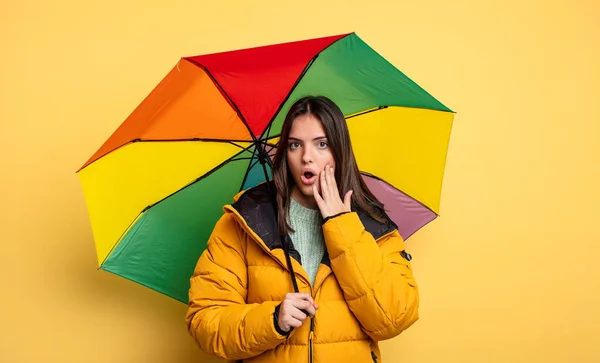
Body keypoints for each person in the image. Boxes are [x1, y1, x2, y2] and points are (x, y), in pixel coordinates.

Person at [185, 95, 419, 363]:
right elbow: (205, 323)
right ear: (285, 152)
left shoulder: (373, 225)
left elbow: (394, 318)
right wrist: (273, 319)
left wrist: (342, 225)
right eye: (296, 145)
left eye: (322, 144)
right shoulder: (244, 222)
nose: (307, 158)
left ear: (340, 151)